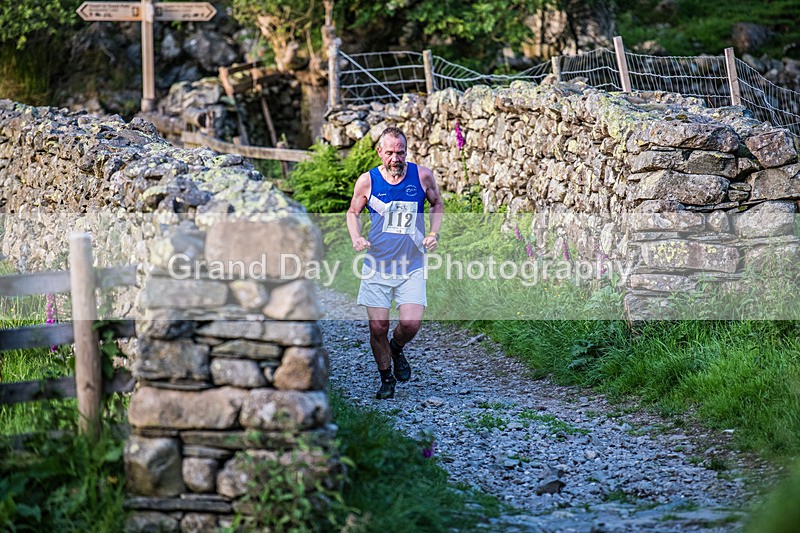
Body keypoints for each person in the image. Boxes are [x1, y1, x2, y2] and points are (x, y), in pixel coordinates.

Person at [346, 126, 443, 399]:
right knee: (378, 327)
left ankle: (397, 348)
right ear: (380, 153)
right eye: (389, 153)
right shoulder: (367, 181)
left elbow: (437, 204)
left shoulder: (422, 176)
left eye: (400, 152)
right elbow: (353, 212)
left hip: (411, 264)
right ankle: (386, 378)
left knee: (411, 323)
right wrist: (356, 237)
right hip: (376, 264)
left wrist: (434, 233)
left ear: (406, 151)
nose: (395, 158)